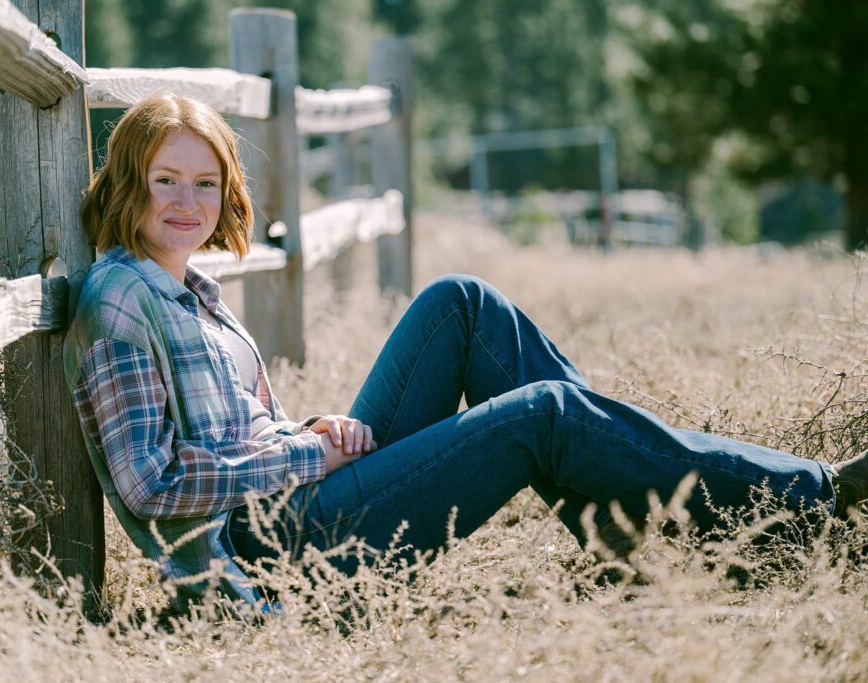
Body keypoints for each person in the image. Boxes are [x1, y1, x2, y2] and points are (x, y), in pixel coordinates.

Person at [65, 93, 868, 613]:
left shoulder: (188, 288)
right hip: (269, 554)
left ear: (227, 191)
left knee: (462, 304)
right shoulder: (121, 302)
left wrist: (311, 430)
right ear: (126, 182)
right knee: (542, 416)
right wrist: (303, 459)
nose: (186, 202)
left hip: (294, 496)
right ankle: (805, 504)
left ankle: (626, 531)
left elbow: (235, 430)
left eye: (205, 184)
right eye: (165, 180)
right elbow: (153, 482)